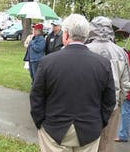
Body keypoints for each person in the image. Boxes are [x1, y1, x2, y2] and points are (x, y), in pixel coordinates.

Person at [30, 14, 116, 152]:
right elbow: (110, 100)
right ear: (86, 36)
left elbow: (37, 96)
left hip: (56, 127)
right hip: (83, 127)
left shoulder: (48, 62)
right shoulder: (102, 64)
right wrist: (100, 122)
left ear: (66, 35)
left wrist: (40, 122)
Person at [86, 16, 130, 152]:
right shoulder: (121, 53)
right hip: (112, 105)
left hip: (88, 105)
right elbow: (127, 83)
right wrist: (118, 101)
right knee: (107, 143)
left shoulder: (85, 49)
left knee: (87, 143)